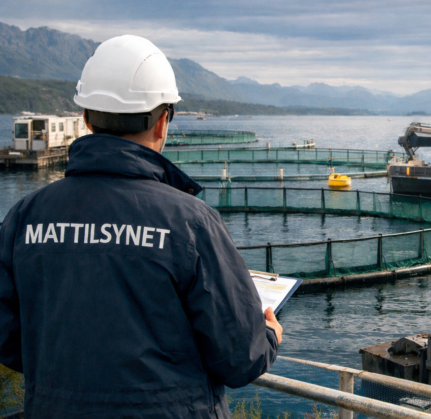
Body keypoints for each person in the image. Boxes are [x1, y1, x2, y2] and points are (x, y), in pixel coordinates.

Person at [0, 35, 281, 418]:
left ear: (86, 118)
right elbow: (239, 358)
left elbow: (8, 337)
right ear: (163, 121)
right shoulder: (191, 223)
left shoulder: (24, 217)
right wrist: (268, 337)